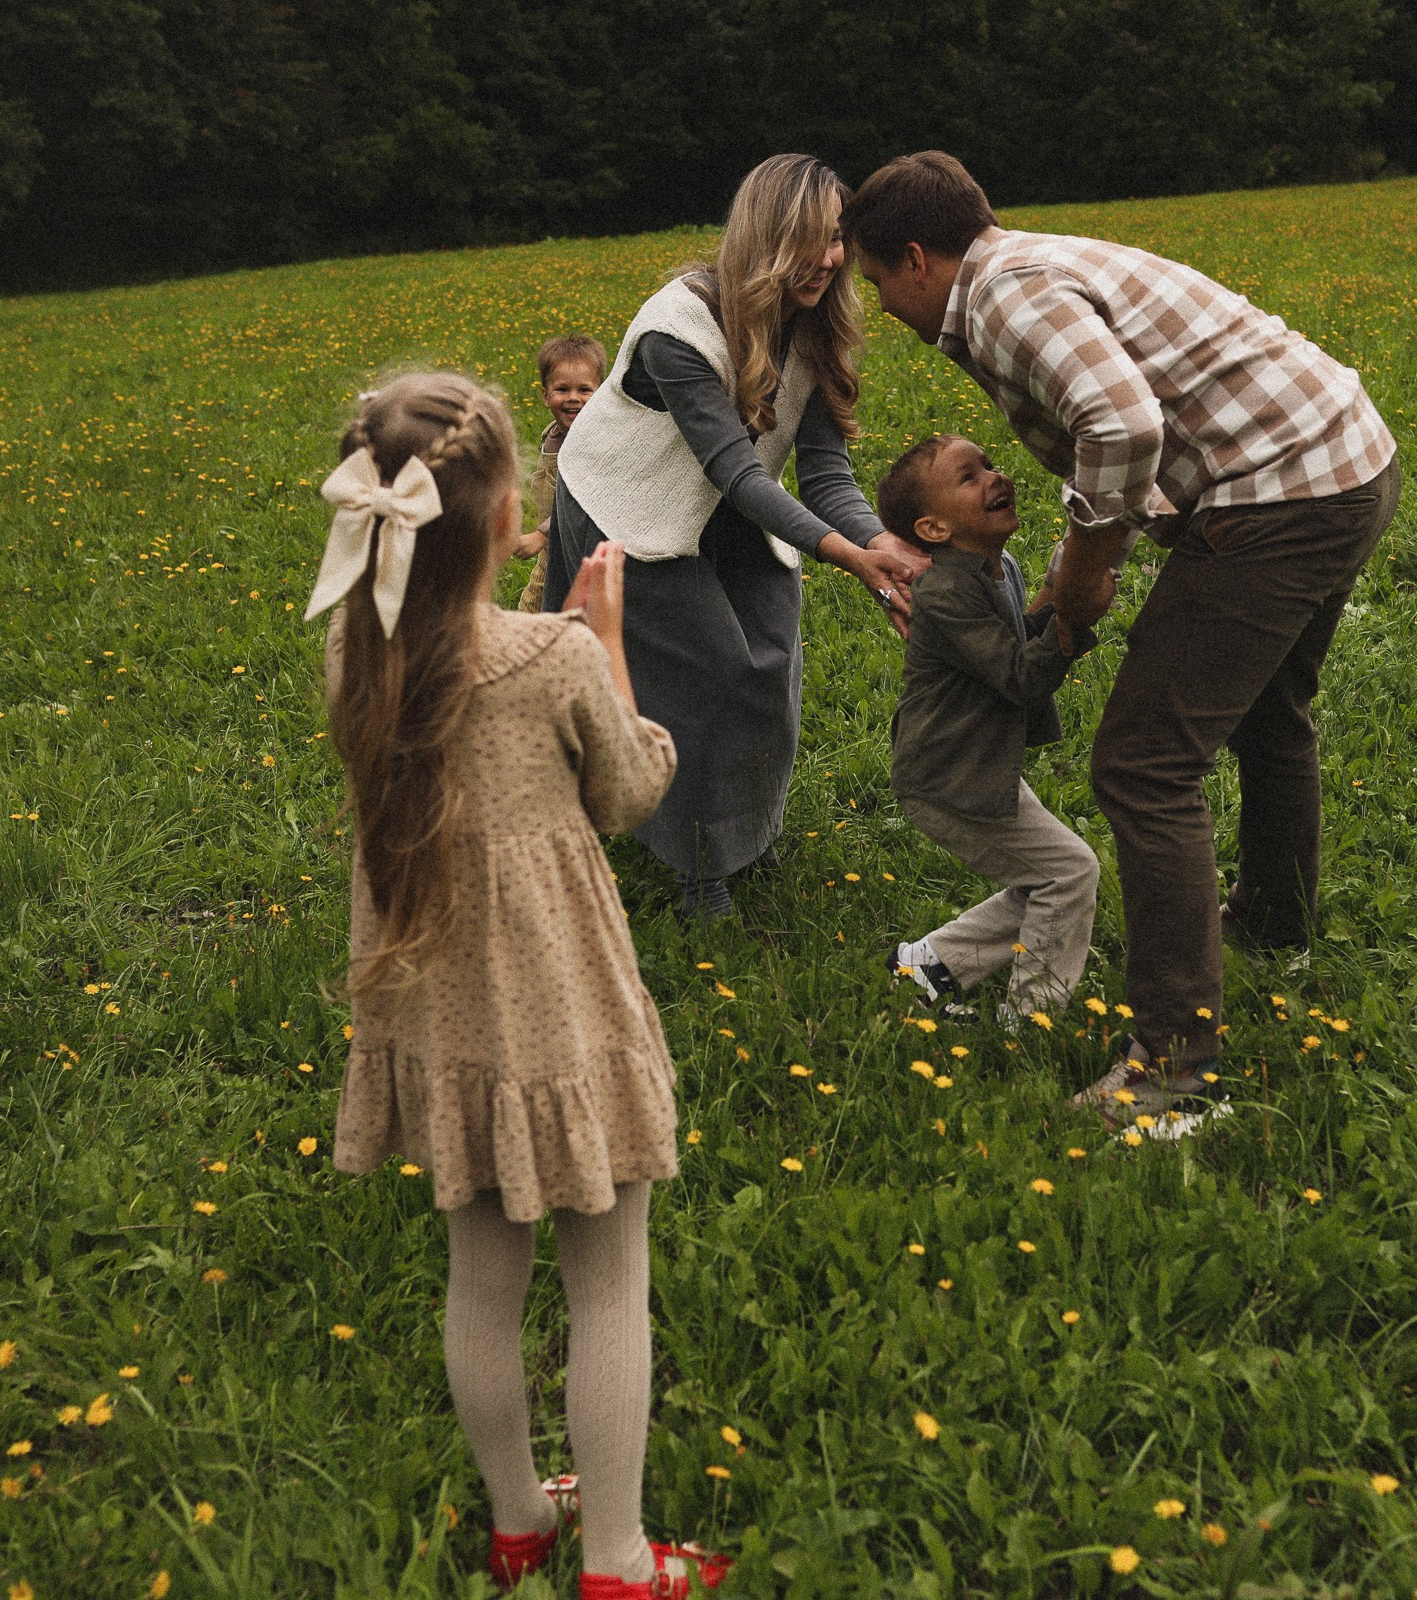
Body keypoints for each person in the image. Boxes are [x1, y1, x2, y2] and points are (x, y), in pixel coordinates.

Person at [844, 151, 1401, 1128]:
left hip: (1283, 496)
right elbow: (1113, 430)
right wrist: (1074, 550)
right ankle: (1274, 924)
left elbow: (1119, 421)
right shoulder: (1026, 272)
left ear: (919, 260)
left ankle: (1176, 1076)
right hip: (1343, 459)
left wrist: (1093, 565)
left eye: (878, 281)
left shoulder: (1007, 301)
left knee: (1144, 763)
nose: (883, 305)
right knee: (1271, 711)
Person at [311, 372, 725, 1598]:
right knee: (609, 1277)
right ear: (505, 519)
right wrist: (604, 642)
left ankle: (517, 1522)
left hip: (440, 1015)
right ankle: (617, 1560)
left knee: (480, 1277)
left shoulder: (354, 642)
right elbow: (632, 792)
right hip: (558, 1006)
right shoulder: (548, 656)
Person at [550, 153, 927, 920]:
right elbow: (736, 472)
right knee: (709, 667)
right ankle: (694, 864)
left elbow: (823, 477)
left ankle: (739, 831)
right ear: (767, 236)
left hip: (723, 505)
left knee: (770, 651)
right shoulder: (677, 327)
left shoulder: (817, 325)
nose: (830, 259)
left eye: (837, 240)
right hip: (628, 506)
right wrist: (849, 556)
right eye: (811, 239)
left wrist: (880, 545)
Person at [876, 434, 1098, 1023]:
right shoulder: (946, 591)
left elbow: (1013, 638)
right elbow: (1017, 676)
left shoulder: (995, 568)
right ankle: (1031, 1018)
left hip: (976, 767)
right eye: (968, 477)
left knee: (1046, 877)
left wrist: (1055, 594)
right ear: (934, 530)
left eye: (990, 464)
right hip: (949, 775)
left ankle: (931, 966)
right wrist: (1071, 624)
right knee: (1068, 873)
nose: (994, 477)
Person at [513, 334, 606, 613]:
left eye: (584, 390)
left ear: (601, 393)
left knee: (544, 612)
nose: (573, 399)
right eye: (562, 389)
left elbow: (584, 501)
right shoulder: (551, 434)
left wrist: (541, 535)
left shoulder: (592, 443)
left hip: (579, 551)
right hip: (553, 550)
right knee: (532, 609)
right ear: (545, 395)